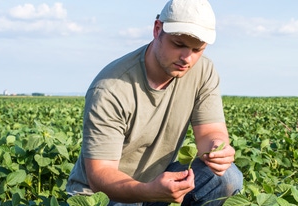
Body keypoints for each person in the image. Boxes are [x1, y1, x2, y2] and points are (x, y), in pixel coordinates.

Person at [66, 0, 243, 205]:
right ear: (157, 29)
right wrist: (149, 191)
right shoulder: (111, 88)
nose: (187, 58)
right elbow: (100, 176)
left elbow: (210, 133)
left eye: (197, 49)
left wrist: (216, 149)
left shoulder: (203, 71)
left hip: (159, 182)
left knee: (226, 177)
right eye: (179, 45)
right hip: (106, 196)